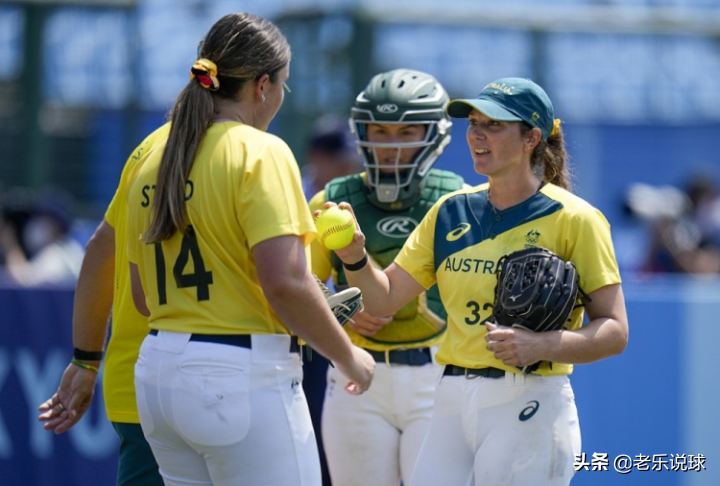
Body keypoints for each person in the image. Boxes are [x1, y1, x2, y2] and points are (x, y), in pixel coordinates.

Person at [326, 77, 629, 486]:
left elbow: (614, 331)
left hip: (529, 396)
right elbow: (383, 301)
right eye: (473, 122)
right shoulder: (448, 212)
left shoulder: (577, 219)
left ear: (531, 138)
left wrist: (541, 345)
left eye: (494, 124)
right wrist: (355, 257)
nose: (477, 135)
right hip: (450, 397)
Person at [124, 12, 374, 485]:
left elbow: (143, 298)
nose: (281, 97)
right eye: (283, 85)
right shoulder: (261, 151)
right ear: (262, 86)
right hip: (237, 379)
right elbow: (285, 284)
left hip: (158, 376)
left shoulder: (152, 156)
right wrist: (349, 357)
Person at [308, 68, 465, 486]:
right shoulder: (331, 200)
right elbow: (296, 287)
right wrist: (338, 312)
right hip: (355, 374)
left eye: (406, 131)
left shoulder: (459, 201)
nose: (391, 146)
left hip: (439, 374)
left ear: (432, 134)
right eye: (380, 131)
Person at [300, 114, 364, 486]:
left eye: (349, 162)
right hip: (299, 338)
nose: (346, 169)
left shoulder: (352, 201)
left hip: (340, 334)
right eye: (338, 161)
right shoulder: (290, 192)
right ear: (316, 157)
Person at [0, 188, 84, 287]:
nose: (34, 224)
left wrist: (10, 245)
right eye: (36, 218)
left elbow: (24, 285)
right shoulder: (67, 250)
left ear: (58, 228)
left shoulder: (59, 255)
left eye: (43, 220)